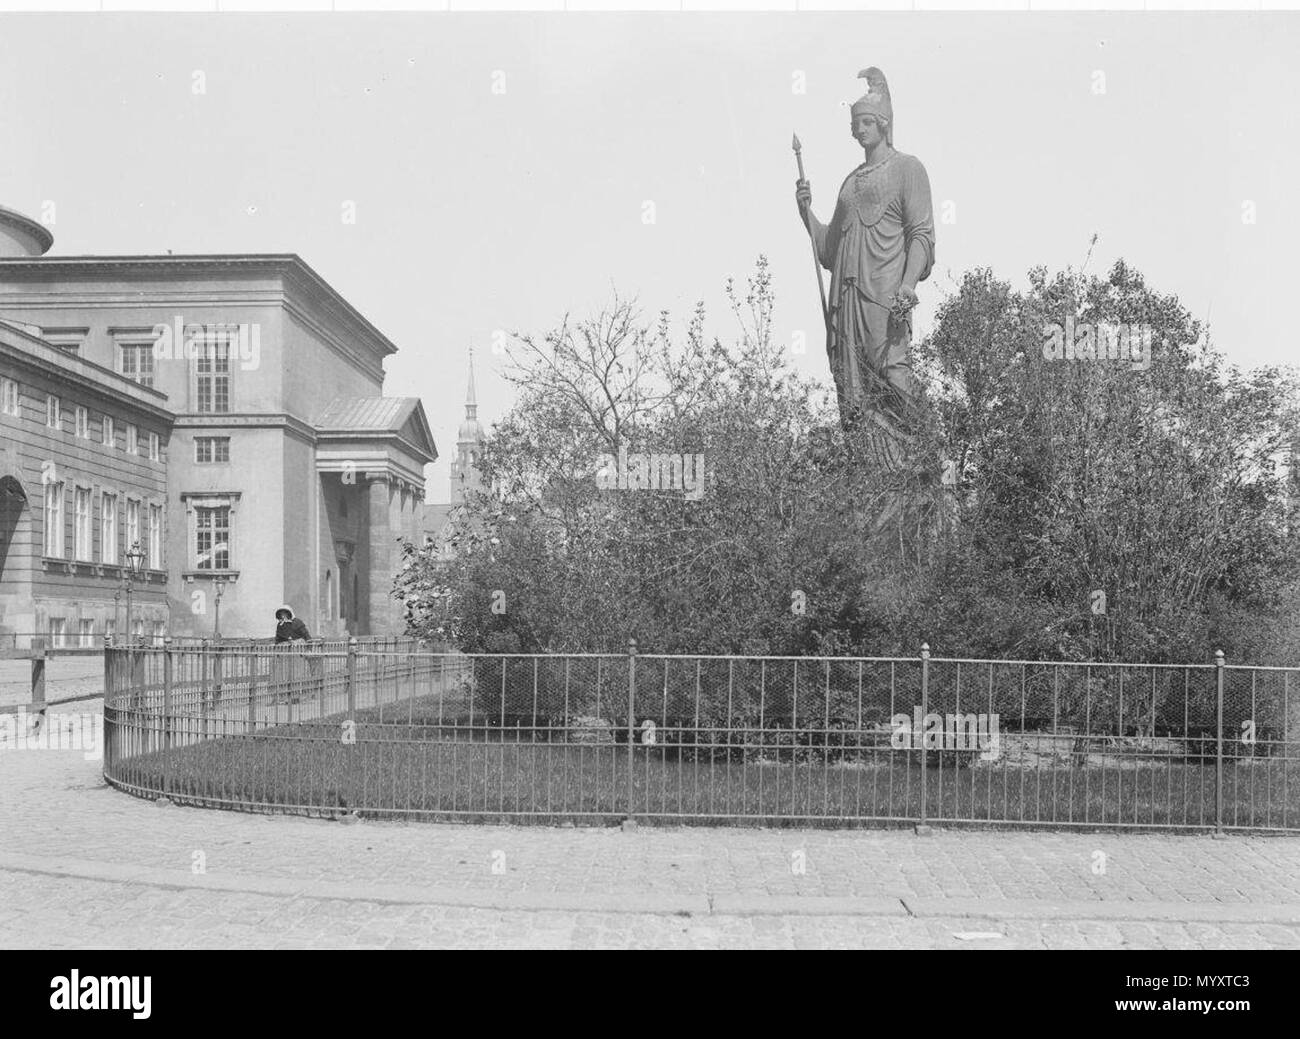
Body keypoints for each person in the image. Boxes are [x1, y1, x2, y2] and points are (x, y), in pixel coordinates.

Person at [795, 67, 936, 460]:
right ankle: (869, 470)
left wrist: (907, 286)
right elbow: (828, 250)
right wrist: (805, 213)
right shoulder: (848, 183)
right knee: (853, 388)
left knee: (893, 374)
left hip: (884, 294)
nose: (859, 130)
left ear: (884, 124)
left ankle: (927, 458)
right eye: (855, 123)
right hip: (847, 298)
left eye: (866, 122)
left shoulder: (908, 169)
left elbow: (921, 235)